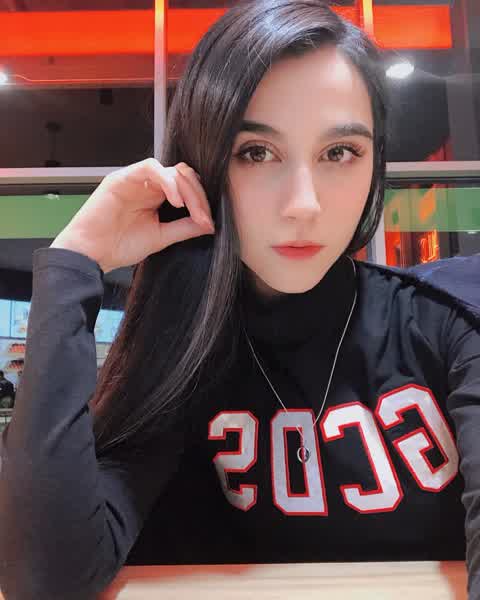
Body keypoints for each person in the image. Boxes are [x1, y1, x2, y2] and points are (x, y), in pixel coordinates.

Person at [0, 1, 479, 598]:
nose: (303, 204)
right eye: (256, 152)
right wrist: (75, 261)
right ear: (202, 166)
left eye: (339, 153)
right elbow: (45, 578)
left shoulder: (449, 320)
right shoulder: (175, 361)